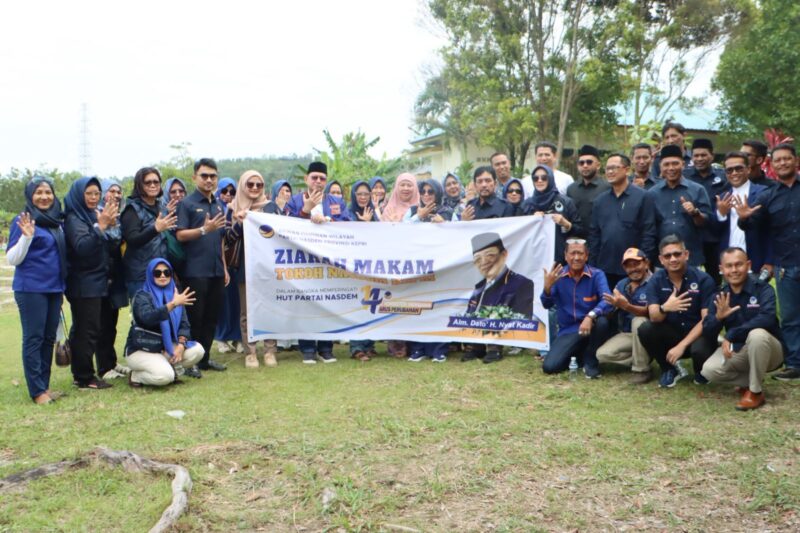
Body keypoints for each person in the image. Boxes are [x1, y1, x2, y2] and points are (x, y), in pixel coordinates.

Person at [736, 143, 800, 381]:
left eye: (786, 159)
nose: (782, 163)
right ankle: (795, 364)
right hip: (786, 266)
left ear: (795, 161)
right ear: (771, 165)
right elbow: (752, 225)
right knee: (791, 317)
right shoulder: (768, 195)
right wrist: (743, 219)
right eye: (777, 161)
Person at [7, 177, 67, 404]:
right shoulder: (23, 220)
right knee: (34, 338)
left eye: (48, 192)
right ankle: (37, 391)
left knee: (48, 339)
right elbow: (13, 258)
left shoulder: (55, 221)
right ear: (31, 196)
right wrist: (26, 237)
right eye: (39, 192)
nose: (44, 197)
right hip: (31, 289)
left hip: (54, 288)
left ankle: (45, 386)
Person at [701, 248, 784, 410]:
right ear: (721, 269)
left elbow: (767, 318)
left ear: (748, 265)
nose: (734, 270)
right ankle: (751, 380)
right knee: (709, 370)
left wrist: (731, 333)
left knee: (757, 334)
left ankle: (755, 392)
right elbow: (707, 331)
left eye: (738, 265)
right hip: (741, 349)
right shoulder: (720, 295)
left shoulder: (763, 289)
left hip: (770, 350)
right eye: (729, 266)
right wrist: (719, 317)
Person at [637, 235, 717, 388]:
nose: (673, 259)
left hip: (697, 334)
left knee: (700, 349)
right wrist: (665, 308)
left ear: (686, 254)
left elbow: (706, 320)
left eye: (677, 254)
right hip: (672, 333)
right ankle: (669, 369)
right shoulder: (655, 280)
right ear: (661, 259)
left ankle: (701, 370)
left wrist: (682, 346)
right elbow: (654, 316)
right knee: (645, 329)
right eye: (668, 256)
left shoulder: (703, 279)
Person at [287, 162, 346, 363]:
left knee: (328, 302)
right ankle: (307, 349)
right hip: (304, 262)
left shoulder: (337, 202)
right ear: (307, 179)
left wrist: (330, 222)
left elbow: (349, 225)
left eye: (322, 178)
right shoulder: (295, 201)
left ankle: (326, 348)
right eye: (314, 177)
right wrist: (305, 211)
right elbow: (284, 225)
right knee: (306, 304)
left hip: (330, 263)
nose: (318, 182)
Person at [64, 177, 119, 390]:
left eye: (97, 193)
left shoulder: (90, 215)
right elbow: (82, 247)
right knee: (86, 330)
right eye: (89, 194)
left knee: (90, 328)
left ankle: (84, 374)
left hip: (96, 281)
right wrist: (101, 225)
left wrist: (107, 225)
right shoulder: (73, 219)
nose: (94, 197)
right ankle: (84, 377)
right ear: (79, 195)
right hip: (82, 283)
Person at [176, 158, 229, 375]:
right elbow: (179, 235)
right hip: (195, 271)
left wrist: (224, 268)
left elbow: (221, 239)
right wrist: (204, 230)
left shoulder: (218, 204)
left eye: (213, 176)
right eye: (204, 176)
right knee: (195, 318)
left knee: (211, 317)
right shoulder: (186, 204)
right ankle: (191, 363)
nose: (209, 180)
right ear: (195, 177)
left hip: (216, 270)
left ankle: (205, 359)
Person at [225, 170, 278, 368]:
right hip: (245, 267)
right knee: (247, 312)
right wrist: (239, 223)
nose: (255, 188)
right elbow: (227, 240)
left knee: (270, 308)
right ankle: (251, 352)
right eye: (250, 184)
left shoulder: (271, 207)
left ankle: (270, 350)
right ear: (243, 186)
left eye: (259, 184)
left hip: (269, 268)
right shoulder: (233, 208)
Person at [125, 259, 204, 387]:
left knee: (198, 350)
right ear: (150, 275)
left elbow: (184, 325)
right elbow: (147, 318)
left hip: (165, 348)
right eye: (157, 273)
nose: (162, 276)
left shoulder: (175, 294)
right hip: (143, 349)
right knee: (164, 377)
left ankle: (168, 367)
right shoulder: (142, 296)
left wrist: (181, 346)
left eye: (166, 272)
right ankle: (136, 376)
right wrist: (172, 305)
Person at [540, 239, 612, 378]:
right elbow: (546, 305)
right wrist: (547, 288)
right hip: (568, 331)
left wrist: (590, 316)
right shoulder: (558, 276)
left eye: (580, 253)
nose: (576, 257)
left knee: (602, 322)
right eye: (573, 253)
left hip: (591, 327)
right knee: (550, 367)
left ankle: (591, 361)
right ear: (566, 255)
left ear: (586, 256)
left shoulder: (597, 274)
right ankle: (579, 356)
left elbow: (607, 300)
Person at [463, 233, 535, 364]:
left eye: (490, 255)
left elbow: (523, 319)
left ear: (504, 254)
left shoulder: (521, 283)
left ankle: (494, 348)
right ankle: (476, 346)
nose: (483, 262)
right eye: (477, 258)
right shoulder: (479, 286)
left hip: (502, 333)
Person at [589, 153, 657, 288]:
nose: (610, 172)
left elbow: (649, 232)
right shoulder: (600, 201)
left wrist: (645, 262)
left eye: (614, 168)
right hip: (605, 267)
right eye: (607, 169)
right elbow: (594, 235)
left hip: (634, 266)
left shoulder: (643, 197)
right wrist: (592, 265)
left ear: (627, 170)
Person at [647, 144, 712, 268]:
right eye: (666, 164)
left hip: (691, 258)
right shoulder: (652, 194)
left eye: (675, 163)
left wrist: (695, 213)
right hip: (662, 260)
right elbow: (649, 228)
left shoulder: (697, 190)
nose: (671, 168)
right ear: (660, 166)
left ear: (683, 164)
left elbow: (706, 222)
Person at [595, 248, 653, 384]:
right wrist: (609, 307)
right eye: (629, 266)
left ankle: (642, 369)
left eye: (637, 264)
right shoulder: (622, 284)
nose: (633, 269)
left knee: (638, 321)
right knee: (602, 355)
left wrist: (627, 306)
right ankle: (644, 358)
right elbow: (610, 308)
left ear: (646, 263)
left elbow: (652, 312)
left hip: (651, 333)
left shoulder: (656, 282)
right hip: (628, 334)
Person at [121, 168, 178, 298]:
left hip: (163, 272)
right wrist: (155, 229)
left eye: (156, 182)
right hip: (140, 275)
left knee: (165, 315)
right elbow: (132, 239)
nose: (153, 185)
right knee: (144, 315)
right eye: (148, 182)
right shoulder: (132, 210)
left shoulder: (161, 207)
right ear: (139, 185)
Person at [710, 151, 771, 273]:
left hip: (755, 258)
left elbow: (771, 230)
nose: (734, 173)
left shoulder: (763, 193)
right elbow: (713, 232)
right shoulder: (722, 196)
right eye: (729, 170)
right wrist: (721, 214)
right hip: (728, 261)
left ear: (748, 169)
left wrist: (770, 261)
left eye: (738, 169)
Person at [95, 179, 130, 381]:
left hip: (116, 275)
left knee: (112, 322)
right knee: (101, 323)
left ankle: (111, 362)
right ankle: (103, 367)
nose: (116, 195)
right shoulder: (96, 214)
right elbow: (110, 240)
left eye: (119, 191)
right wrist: (111, 225)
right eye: (111, 191)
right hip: (100, 276)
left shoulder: (120, 215)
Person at [684, 138, 728, 284]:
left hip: (714, 237)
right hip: (691, 236)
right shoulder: (684, 176)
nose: (700, 159)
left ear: (712, 156)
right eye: (696, 156)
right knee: (689, 278)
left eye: (704, 155)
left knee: (714, 279)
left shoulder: (722, 177)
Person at [519, 165, 581, 262]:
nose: (539, 181)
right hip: (534, 260)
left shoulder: (566, 202)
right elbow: (519, 234)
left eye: (544, 177)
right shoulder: (526, 205)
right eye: (536, 178)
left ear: (551, 178)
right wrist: (531, 221)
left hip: (561, 261)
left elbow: (580, 232)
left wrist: (567, 224)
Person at [214, 176, 243, 355]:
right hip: (222, 262)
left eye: (233, 192)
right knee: (223, 303)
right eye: (224, 191)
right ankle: (222, 338)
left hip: (239, 264)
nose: (228, 195)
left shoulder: (242, 209)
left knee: (239, 303)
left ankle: (238, 338)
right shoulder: (216, 210)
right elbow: (222, 238)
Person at [566, 144, 610, 236]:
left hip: (599, 240)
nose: (585, 165)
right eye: (581, 163)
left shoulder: (607, 187)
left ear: (598, 165)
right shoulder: (571, 189)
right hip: (576, 242)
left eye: (589, 162)